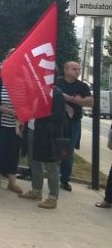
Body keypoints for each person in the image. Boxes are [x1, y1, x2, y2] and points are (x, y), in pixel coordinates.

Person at [19, 88, 67, 209]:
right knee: (34, 161)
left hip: (48, 135)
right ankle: (36, 190)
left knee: (51, 166)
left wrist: (39, 112)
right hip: (32, 130)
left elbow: (58, 116)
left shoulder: (57, 94)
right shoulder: (35, 90)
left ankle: (52, 197)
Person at [0, 49, 24, 194]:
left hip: (16, 126)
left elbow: (27, 104)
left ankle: (12, 182)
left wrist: (21, 113)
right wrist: (9, 111)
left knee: (13, 153)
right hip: (0, 124)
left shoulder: (22, 84)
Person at [55, 61, 92, 192]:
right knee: (54, 148)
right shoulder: (57, 82)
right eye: (74, 69)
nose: (78, 71)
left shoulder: (82, 86)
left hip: (73, 123)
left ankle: (65, 180)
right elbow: (50, 95)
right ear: (66, 70)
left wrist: (71, 99)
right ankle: (50, 176)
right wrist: (67, 105)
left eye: (79, 69)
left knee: (68, 151)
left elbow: (90, 102)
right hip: (57, 121)